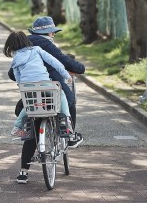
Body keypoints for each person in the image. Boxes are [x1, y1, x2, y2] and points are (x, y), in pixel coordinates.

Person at [9, 16, 85, 184]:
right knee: (68, 100)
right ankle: (69, 133)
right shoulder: (42, 45)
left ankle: (23, 171)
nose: (53, 35)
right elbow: (61, 62)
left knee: (33, 127)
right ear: (50, 32)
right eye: (53, 32)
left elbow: (12, 74)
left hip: (31, 93)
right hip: (51, 89)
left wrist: (26, 83)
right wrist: (78, 69)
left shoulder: (23, 45)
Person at [3, 31, 72, 138]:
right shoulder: (36, 50)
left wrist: (22, 88)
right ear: (27, 41)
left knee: (29, 105)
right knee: (61, 93)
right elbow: (55, 63)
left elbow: (18, 79)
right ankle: (66, 121)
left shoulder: (15, 60)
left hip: (27, 87)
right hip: (45, 85)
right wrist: (66, 75)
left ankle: (17, 127)